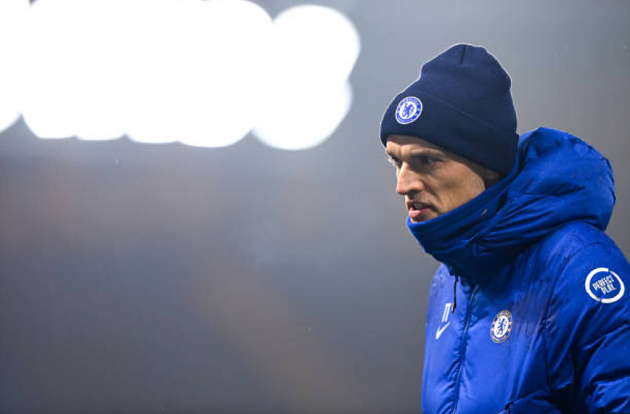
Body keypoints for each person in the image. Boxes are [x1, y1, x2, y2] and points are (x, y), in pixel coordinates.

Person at [379, 44, 630, 414]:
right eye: (396, 162)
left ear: (487, 165)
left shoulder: (580, 267)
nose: (403, 184)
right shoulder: (447, 280)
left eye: (426, 161)